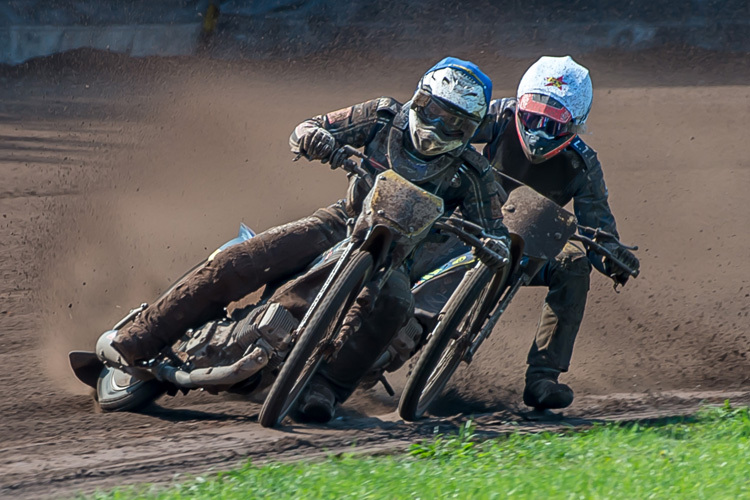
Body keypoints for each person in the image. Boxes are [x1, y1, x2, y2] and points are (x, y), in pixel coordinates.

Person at [110, 57, 510, 422]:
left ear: (471, 130)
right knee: (242, 261)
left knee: (396, 308)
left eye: (454, 123)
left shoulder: (473, 174)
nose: (439, 128)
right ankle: (142, 335)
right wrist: (318, 140)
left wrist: (493, 247)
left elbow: (498, 233)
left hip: (399, 258)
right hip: (340, 221)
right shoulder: (383, 115)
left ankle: (327, 389)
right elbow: (310, 126)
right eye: (434, 113)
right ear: (418, 101)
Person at [472, 55, 640, 410]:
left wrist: (614, 260)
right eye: (532, 118)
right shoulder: (496, 116)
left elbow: (598, 230)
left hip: (527, 244)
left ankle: (543, 377)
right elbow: (437, 128)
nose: (538, 132)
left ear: (574, 127)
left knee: (574, 264)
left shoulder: (583, 164)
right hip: (465, 220)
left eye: (553, 126)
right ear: (519, 106)